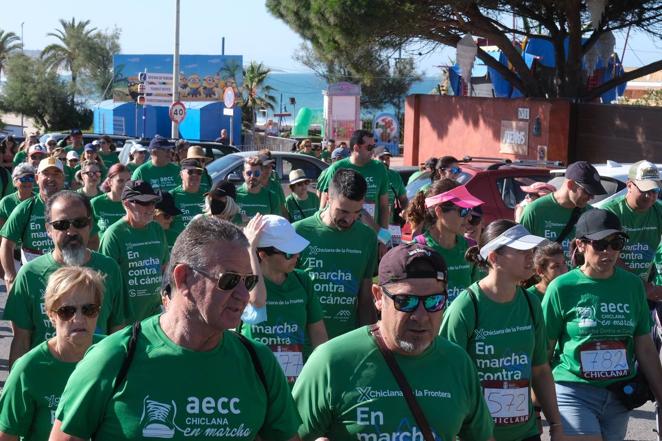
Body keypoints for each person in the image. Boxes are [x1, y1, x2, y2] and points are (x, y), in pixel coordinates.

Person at [50, 216, 301, 441]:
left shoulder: (258, 361)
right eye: (229, 280)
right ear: (183, 278)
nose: (243, 294)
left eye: (249, 281)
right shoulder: (113, 358)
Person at [293, 242, 496, 441]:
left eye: (435, 301)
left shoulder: (457, 362)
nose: (421, 315)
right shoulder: (331, 361)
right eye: (406, 301)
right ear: (378, 297)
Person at [542, 209, 662, 440]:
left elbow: (645, 347)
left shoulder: (632, 286)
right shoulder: (562, 288)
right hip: (573, 390)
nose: (609, 251)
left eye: (616, 243)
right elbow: (544, 350)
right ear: (581, 244)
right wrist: (536, 406)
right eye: (600, 244)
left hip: (619, 395)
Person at [441, 220, 564, 441]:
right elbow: (447, 379)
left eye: (531, 250)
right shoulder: (466, 307)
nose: (531, 256)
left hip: (525, 433)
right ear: (494, 258)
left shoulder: (531, 303)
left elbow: (540, 370)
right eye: (521, 250)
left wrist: (556, 423)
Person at [3, 190, 126, 367]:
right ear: (48, 230)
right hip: (44, 379)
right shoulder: (30, 274)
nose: (71, 231)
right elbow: (21, 340)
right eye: (61, 225)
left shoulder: (109, 269)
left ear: (90, 225)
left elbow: (117, 331)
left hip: (95, 376)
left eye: (79, 223)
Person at [0, 267, 105, 441]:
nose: (78, 319)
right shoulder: (28, 369)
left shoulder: (113, 354)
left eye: (89, 309)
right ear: (51, 315)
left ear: (98, 311)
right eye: (67, 311)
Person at [242, 215, 328, 385]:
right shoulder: (243, 282)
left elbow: (318, 333)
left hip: (296, 381)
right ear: (263, 255)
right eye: (289, 252)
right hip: (254, 379)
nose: (296, 256)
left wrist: (324, 373)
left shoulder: (302, 280)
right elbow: (257, 300)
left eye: (296, 250)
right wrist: (250, 249)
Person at [294, 169, 378, 339]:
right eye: (343, 211)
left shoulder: (367, 237)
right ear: (328, 198)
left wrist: (370, 340)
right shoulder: (298, 232)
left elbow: (365, 297)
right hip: (303, 340)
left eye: (357, 212)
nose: (349, 219)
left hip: (346, 341)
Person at [99, 180, 168, 323]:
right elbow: (105, 283)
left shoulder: (157, 229)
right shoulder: (114, 234)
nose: (151, 208)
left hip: (154, 318)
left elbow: (165, 268)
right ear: (127, 204)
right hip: (124, 321)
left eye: (153, 202)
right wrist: (115, 322)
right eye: (144, 203)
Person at [409, 179, 484, 304]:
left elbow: (476, 298)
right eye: (463, 211)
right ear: (439, 212)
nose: (469, 217)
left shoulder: (470, 247)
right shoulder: (419, 248)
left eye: (470, 209)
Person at [520, 161, 606, 263]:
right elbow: (521, 253)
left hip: (577, 278)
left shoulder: (591, 214)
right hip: (545, 278)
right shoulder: (535, 211)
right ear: (570, 184)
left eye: (593, 194)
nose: (591, 197)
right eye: (587, 191)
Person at [0, 158, 67, 286]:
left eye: (56, 174)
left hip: (65, 277)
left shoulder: (74, 206)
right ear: (37, 178)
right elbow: (6, 244)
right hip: (33, 279)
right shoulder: (24, 208)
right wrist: (10, 276)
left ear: (63, 178)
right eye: (46, 173)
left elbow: (91, 239)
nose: (51, 178)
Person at [603, 160, 662, 302]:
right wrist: (642, 286)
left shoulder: (658, 210)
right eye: (644, 190)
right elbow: (607, 255)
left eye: (654, 190)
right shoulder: (610, 212)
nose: (650, 196)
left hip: (644, 290)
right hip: (612, 288)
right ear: (629, 185)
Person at [318, 130, 391, 238]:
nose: (373, 151)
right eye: (369, 147)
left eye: (373, 147)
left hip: (369, 235)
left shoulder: (380, 169)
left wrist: (383, 238)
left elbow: (384, 206)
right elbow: (324, 204)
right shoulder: (336, 168)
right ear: (356, 148)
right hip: (340, 234)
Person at [168, 158, 207, 244]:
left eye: (199, 172)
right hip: (179, 244)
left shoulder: (207, 195)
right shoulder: (172, 196)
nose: (195, 175)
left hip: (202, 244)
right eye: (190, 172)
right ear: (181, 174)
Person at [233, 156, 280, 225]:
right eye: (248, 173)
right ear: (243, 174)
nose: (252, 176)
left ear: (261, 173)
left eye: (256, 173)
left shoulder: (272, 197)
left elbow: (276, 225)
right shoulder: (234, 195)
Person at [91, 163, 129, 239]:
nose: (125, 185)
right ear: (109, 182)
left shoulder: (134, 204)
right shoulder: (96, 203)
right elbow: (90, 235)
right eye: (120, 181)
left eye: (128, 181)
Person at [377, 150, 408, 244]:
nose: (385, 162)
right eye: (381, 158)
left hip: (391, 225)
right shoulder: (370, 174)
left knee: (391, 253)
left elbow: (403, 199)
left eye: (387, 159)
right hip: (372, 224)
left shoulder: (395, 176)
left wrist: (405, 209)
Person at [0, 164, 34, 230]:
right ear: (15, 182)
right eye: (23, 179)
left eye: (31, 178)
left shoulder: (41, 200)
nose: (27, 182)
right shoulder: (5, 202)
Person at [257, 150, 287, 217]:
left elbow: (283, 207)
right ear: (259, 167)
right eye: (265, 167)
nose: (268, 169)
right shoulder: (254, 186)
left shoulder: (276, 185)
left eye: (270, 166)